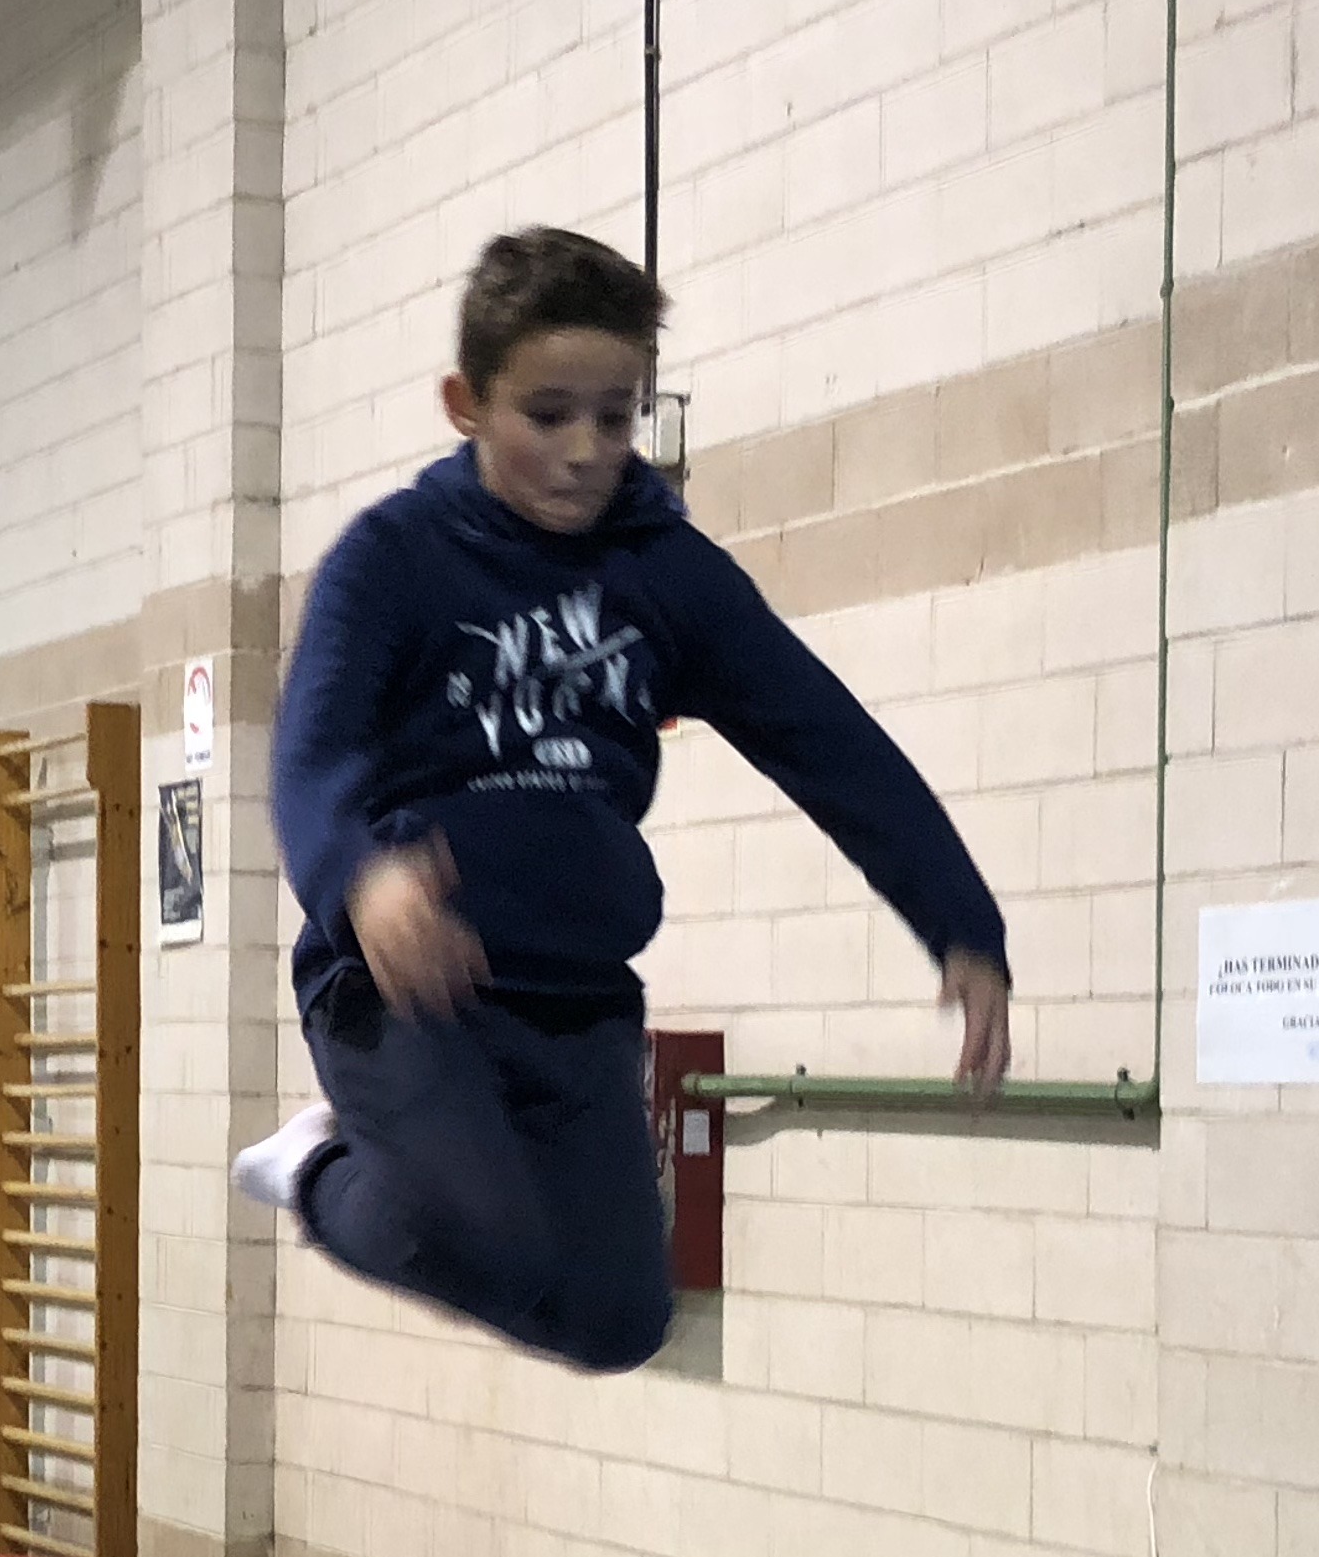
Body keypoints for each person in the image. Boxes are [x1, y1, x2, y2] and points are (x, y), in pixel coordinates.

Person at [241, 227, 1011, 1372]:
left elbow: (828, 742)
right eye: (548, 415)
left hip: (577, 997)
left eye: (617, 416)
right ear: (466, 404)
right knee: (468, 1234)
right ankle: (315, 1167)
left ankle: (371, 1180)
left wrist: (959, 920)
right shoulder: (395, 558)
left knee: (618, 1322)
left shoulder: (664, 574)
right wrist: (361, 875)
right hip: (409, 981)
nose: (585, 452)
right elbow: (311, 752)